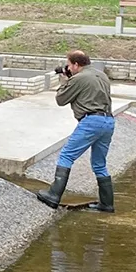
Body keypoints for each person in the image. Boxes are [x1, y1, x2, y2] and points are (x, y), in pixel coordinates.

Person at [35, 50, 116, 213]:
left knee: (66, 155)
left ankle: (53, 195)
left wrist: (65, 80)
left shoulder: (78, 78)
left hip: (92, 121)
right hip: (109, 121)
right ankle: (107, 204)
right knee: (99, 164)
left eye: (70, 65)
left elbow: (61, 99)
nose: (69, 68)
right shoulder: (102, 75)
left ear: (76, 64)